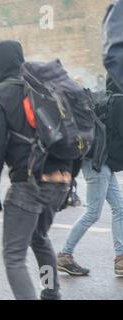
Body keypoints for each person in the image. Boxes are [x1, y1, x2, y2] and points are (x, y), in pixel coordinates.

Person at [0, 40, 72, 300]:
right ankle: (51, 291)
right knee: (40, 237)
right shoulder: (45, 87)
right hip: (61, 179)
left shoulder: (1, 95)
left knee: (14, 257)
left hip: (29, 183)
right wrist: (68, 181)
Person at [57, 75, 123, 277]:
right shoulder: (118, 101)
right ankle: (65, 254)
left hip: (100, 161)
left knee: (119, 208)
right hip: (98, 163)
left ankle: (121, 259)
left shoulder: (107, 98)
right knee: (93, 212)